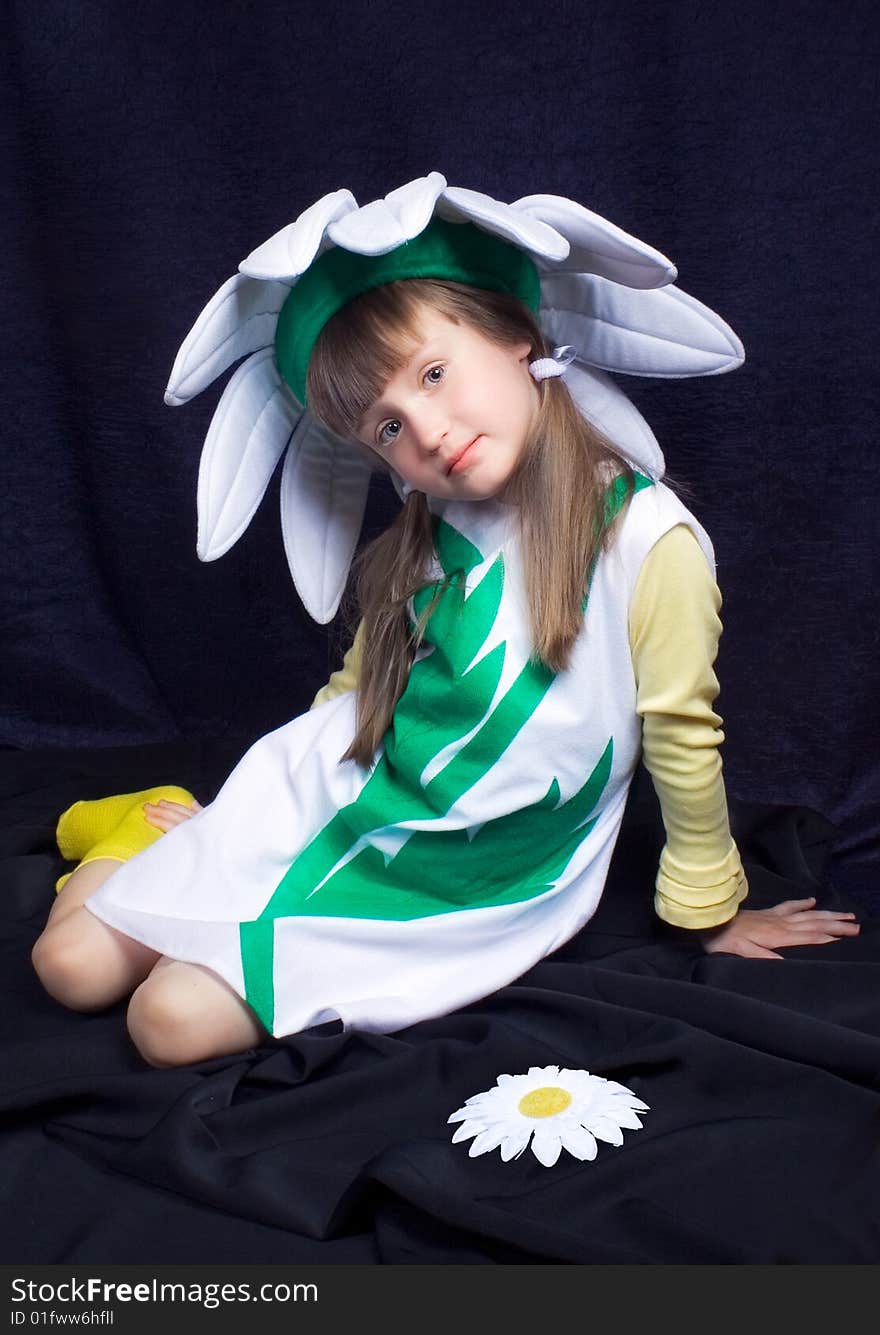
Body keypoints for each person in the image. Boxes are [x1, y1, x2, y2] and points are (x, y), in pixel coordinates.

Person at [31, 175, 860, 1069]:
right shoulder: (433, 531)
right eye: (386, 428)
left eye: (433, 373)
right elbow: (357, 688)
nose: (424, 430)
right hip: (348, 802)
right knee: (68, 967)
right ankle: (156, 827)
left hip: (457, 879)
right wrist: (243, 814)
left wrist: (711, 908)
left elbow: (681, 735)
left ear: (515, 337)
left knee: (168, 1028)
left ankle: (185, 865)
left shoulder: (649, 543)